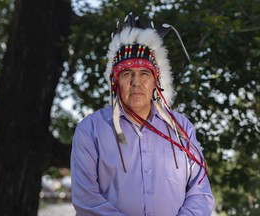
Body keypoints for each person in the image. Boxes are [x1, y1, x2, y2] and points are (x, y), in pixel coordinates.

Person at [71, 13, 214, 216]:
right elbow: (86, 200)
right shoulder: (90, 130)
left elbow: (200, 192)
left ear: (155, 81)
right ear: (115, 82)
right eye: (127, 74)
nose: (136, 82)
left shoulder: (182, 127)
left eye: (144, 74)